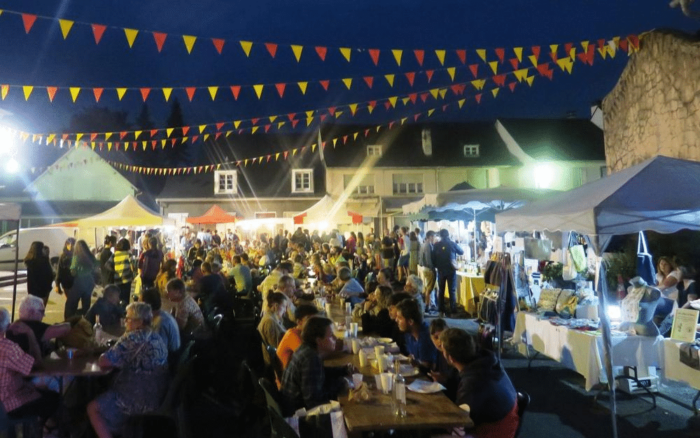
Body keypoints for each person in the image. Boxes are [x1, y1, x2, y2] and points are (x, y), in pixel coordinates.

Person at [88, 302, 169, 438]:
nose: (125, 321)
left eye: (128, 318)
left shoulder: (133, 337)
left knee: (92, 408)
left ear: (139, 321)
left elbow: (104, 361)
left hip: (138, 398)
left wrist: (104, 352)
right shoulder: (155, 335)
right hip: (157, 392)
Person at [440, 328, 519, 437]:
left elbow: (460, 421)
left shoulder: (472, 382)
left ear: (450, 358)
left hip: (494, 432)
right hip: (506, 423)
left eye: (443, 350)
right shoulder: (486, 360)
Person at [0, 307, 60, 431]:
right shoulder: (8, 348)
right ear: (8, 325)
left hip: (5, 402)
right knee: (54, 399)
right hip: (8, 405)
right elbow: (38, 364)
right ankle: (46, 430)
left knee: (36, 389)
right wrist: (30, 333)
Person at [280, 317, 351, 415]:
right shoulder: (311, 358)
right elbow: (313, 402)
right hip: (299, 415)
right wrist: (342, 388)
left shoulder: (305, 348)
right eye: (331, 336)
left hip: (292, 405)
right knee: (350, 409)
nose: (335, 338)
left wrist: (344, 370)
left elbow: (319, 372)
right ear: (319, 340)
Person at [7, 296, 71, 361]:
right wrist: (73, 321)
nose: (43, 315)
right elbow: (65, 329)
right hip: (33, 366)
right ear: (32, 312)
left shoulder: (14, 326)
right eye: (41, 311)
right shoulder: (35, 326)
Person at [395, 298, 438, 371]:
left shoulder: (425, 338)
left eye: (400, 318)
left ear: (411, 321)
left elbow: (427, 367)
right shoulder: (409, 334)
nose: (396, 320)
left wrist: (415, 362)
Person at [277, 304, 319, 369]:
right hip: (289, 377)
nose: (314, 323)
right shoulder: (292, 335)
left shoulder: (304, 333)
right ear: (299, 322)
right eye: (309, 320)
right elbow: (308, 356)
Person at [433, 229, 464, 317]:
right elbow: (461, 252)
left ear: (440, 235)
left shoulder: (436, 245)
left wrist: (437, 265)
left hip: (441, 270)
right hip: (451, 270)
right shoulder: (452, 244)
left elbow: (433, 257)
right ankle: (453, 309)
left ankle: (441, 309)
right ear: (448, 235)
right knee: (452, 290)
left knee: (441, 290)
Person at [141, 288, 181, 354]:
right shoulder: (164, 314)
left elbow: (159, 350)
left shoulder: (160, 323)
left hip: (170, 357)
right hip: (173, 352)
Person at [427, 318, 459, 401]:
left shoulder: (454, 353)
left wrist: (444, 379)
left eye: (443, 337)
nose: (440, 341)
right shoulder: (437, 353)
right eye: (436, 338)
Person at [67, 240, 97, 320]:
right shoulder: (90, 256)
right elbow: (97, 265)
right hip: (89, 281)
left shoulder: (76, 258)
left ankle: (73, 319)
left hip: (79, 281)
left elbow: (73, 271)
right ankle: (86, 318)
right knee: (86, 302)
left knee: (73, 302)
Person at [258, 291, 288, 364]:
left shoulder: (273, 317)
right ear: (275, 306)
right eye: (284, 307)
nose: (285, 310)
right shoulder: (270, 321)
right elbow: (276, 348)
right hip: (276, 363)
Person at [24, 241, 54, 307]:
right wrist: (46, 257)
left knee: (33, 312)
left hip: (32, 293)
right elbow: (50, 275)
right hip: (43, 292)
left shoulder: (30, 262)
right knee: (40, 311)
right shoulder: (43, 262)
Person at [108, 238, 134, 309]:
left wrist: (115, 271)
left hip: (117, 280)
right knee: (125, 299)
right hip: (127, 280)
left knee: (118, 298)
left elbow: (107, 265)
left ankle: (118, 313)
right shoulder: (128, 254)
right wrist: (132, 274)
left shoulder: (114, 254)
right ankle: (125, 312)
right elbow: (133, 266)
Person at [418, 230, 437, 313]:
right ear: (430, 237)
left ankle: (428, 304)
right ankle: (427, 305)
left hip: (424, 268)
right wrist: (432, 268)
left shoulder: (423, 244)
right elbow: (429, 259)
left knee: (427, 287)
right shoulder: (428, 245)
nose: (434, 238)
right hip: (429, 269)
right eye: (433, 236)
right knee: (429, 288)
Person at [55, 237, 76, 304]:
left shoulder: (77, 255)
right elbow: (59, 271)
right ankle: (69, 313)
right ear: (66, 245)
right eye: (69, 244)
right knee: (70, 300)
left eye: (73, 244)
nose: (71, 246)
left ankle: (71, 313)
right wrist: (57, 285)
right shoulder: (63, 256)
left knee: (74, 301)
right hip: (66, 282)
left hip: (75, 281)